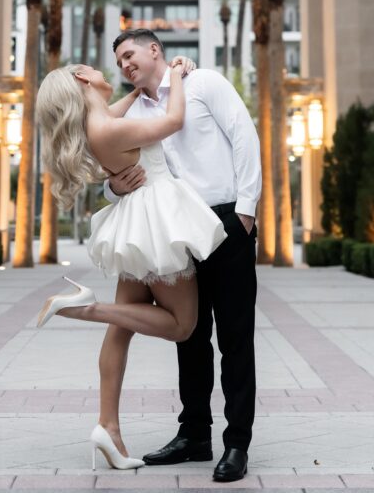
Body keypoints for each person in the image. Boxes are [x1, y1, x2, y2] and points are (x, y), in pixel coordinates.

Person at [34, 55, 227, 473]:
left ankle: (108, 427)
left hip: (137, 223)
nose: (108, 70)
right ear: (83, 78)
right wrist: (174, 74)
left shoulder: (99, 122)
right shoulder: (109, 128)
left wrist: (140, 89)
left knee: (121, 330)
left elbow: (120, 108)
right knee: (183, 326)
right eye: (95, 69)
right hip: (156, 224)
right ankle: (85, 307)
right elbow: (173, 120)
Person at [106, 28, 261, 483]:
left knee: (235, 338)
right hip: (175, 231)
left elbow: (244, 137)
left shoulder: (203, 83)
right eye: (119, 61)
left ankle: (237, 443)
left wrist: (246, 211)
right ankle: (194, 435)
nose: (125, 65)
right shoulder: (133, 111)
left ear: (155, 50)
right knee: (189, 336)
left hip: (226, 221)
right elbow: (113, 169)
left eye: (130, 54)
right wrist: (113, 188)